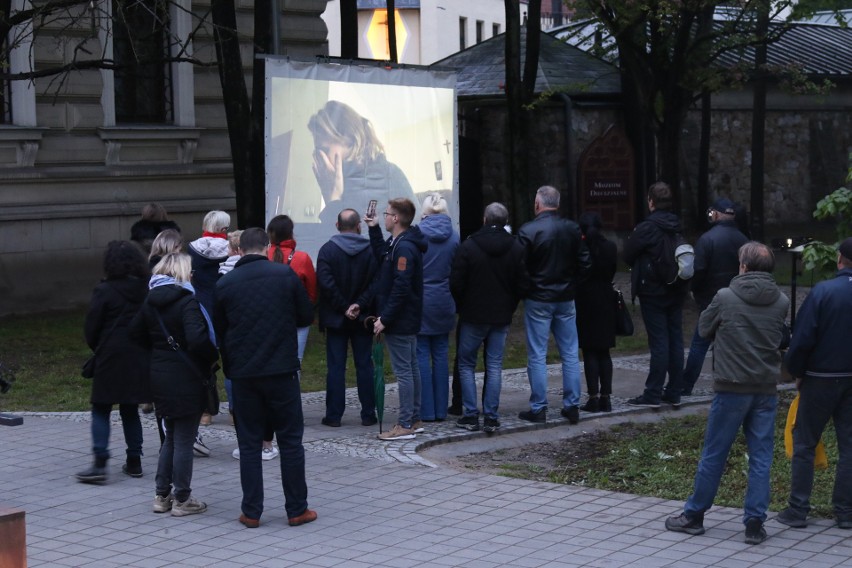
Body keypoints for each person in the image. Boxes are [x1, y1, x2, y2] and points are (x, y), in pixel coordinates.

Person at [665, 242, 789, 545]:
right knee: (761, 458)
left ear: (743, 267)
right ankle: (754, 524)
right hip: (764, 388)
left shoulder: (725, 297)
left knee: (714, 454)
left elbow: (704, 329)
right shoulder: (781, 300)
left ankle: (694, 515)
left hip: (731, 388)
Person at [214, 228, 316, 529]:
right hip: (281, 370)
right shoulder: (284, 276)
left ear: (240, 251)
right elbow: (305, 316)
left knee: (248, 443)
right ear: (267, 247)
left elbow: (220, 331)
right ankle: (297, 509)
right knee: (290, 441)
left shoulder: (225, 284)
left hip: (244, 374)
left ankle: (251, 511)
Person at [130, 252, 219, 517]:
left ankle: (161, 495)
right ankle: (182, 498)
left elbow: (134, 333)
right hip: (187, 376)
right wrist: (211, 356)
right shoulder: (187, 302)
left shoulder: (150, 302)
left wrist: (157, 351)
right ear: (182, 273)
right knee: (183, 438)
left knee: (170, 436)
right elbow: (198, 340)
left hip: (160, 376)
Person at [777, 237, 852, 530]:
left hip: (820, 378)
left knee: (805, 441)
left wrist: (796, 372)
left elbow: (803, 337)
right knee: (850, 447)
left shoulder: (823, 291)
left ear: (839, 259)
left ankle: (798, 510)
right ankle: (845, 512)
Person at [76, 241, 151, 484]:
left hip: (110, 355)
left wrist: (98, 347)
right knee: (130, 409)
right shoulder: (145, 289)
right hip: (138, 355)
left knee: (101, 407)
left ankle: (99, 462)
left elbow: (92, 327)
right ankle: (134, 460)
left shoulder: (104, 291)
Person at [451, 202, 529, 433]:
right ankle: (491, 416)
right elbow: (522, 284)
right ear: (505, 222)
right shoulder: (516, 248)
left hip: (473, 314)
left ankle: (471, 415)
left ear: (485, 219)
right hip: (500, 315)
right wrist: (510, 306)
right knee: (494, 365)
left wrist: (463, 306)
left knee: (466, 364)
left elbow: (456, 282)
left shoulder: (469, 246)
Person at [517, 185, 590, 424]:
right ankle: (572, 405)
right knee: (570, 352)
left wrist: (528, 289)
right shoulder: (572, 228)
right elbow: (585, 263)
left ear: (538, 204)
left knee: (538, 354)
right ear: (557, 203)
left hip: (539, 298)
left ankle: (539, 407)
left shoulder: (529, 230)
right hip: (565, 297)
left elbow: (520, 267)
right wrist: (572, 285)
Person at [366, 198, 428, 440]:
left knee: (404, 371)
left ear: (397, 218)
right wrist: (373, 229)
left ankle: (405, 423)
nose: (384, 216)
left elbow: (401, 287)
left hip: (401, 319)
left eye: (387, 213)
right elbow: (383, 254)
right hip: (405, 317)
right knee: (411, 368)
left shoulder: (404, 247)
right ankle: (414, 418)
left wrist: (385, 318)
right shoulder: (399, 242)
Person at [623, 181, 689, 408]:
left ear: (651, 202)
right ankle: (674, 391)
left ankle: (652, 393)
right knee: (676, 340)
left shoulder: (647, 227)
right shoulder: (677, 224)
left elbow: (628, 253)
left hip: (653, 290)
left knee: (659, 342)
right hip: (676, 287)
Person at [316, 209, 378, 428]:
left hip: (336, 317)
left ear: (336, 225)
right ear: (359, 226)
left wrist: (344, 307)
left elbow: (325, 283)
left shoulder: (327, 251)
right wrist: (359, 305)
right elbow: (376, 283)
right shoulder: (371, 250)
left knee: (335, 367)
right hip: (363, 318)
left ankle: (333, 416)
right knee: (364, 365)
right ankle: (369, 414)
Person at [308, 100, 417, 224]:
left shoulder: (390, 175)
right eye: (317, 153)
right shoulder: (339, 184)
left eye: (324, 150)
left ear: (349, 139)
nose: (320, 159)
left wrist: (333, 201)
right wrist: (332, 198)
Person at [681, 198, 748, 396]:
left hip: (711, 300)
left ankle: (686, 385)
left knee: (699, 344)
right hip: (737, 299)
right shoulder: (744, 240)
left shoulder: (707, 239)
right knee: (732, 344)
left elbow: (698, 270)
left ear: (715, 214)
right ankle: (731, 382)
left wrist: (696, 291)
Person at [417, 194, 460, 423]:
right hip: (444, 298)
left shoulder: (416, 234)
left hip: (422, 299)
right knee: (441, 354)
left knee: (421, 354)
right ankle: (442, 410)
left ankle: (426, 410)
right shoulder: (454, 237)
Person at [187, 210, 230, 435]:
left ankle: (205, 412)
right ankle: (235, 411)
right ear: (224, 229)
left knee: (204, 362)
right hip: (227, 307)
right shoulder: (232, 249)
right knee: (232, 360)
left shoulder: (192, 248)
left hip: (201, 307)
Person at [575, 212, 618, 413]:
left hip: (585, 300)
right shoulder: (610, 247)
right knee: (604, 351)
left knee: (590, 351)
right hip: (606, 298)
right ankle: (606, 397)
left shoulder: (581, 249)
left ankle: (593, 397)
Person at [267, 214, 317, 362]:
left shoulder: (263, 255)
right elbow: (312, 292)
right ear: (291, 233)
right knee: (295, 361)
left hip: (269, 316)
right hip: (296, 317)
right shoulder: (302, 258)